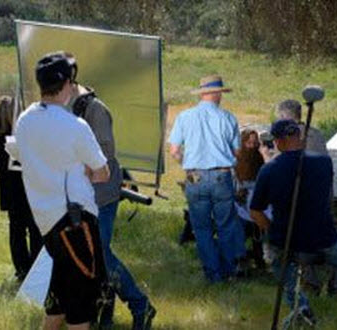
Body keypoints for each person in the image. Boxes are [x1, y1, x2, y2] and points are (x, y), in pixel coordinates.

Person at [13, 51, 110, 330]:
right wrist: (85, 169)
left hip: (46, 222)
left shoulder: (25, 120)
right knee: (80, 309)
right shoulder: (75, 126)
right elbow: (102, 173)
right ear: (68, 83)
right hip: (75, 222)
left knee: (57, 302)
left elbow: (24, 155)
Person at [250, 119, 337, 329]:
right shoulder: (324, 163)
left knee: (278, 261)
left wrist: (271, 229)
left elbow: (255, 211)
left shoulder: (268, 170)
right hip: (322, 235)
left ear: (278, 142)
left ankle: (300, 307)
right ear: (300, 137)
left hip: (286, 237)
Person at [69, 77, 156, 329]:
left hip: (102, 193)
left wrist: (76, 168)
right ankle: (103, 311)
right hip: (84, 194)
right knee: (92, 257)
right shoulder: (74, 108)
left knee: (102, 255)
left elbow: (104, 154)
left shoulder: (96, 109)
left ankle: (141, 306)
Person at [168, 74, 246, 283]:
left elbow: (174, 150)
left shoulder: (184, 117)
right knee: (226, 225)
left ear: (202, 94)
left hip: (195, 177)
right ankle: (228, 269)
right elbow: (238, 153)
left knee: (201, 227)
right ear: (218, 94)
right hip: (221, 175)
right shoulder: (228, 118)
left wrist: (188, 162)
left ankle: (213, 273)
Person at [0, 95, 43, 282]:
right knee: (34, 230)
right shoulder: (20, 138)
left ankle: (21, 270)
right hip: (26, 191)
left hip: (10, 194)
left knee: (17, 231)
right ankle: (35, 269)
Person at [235, 129, 270, 269]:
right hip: (240, 204)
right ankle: (240, 257)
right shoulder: (236, 162)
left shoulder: (259, 160)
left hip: (257, 201)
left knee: (262, 218)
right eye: (249, 143)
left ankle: (260, 254)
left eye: (255, 143)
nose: (252, 146)